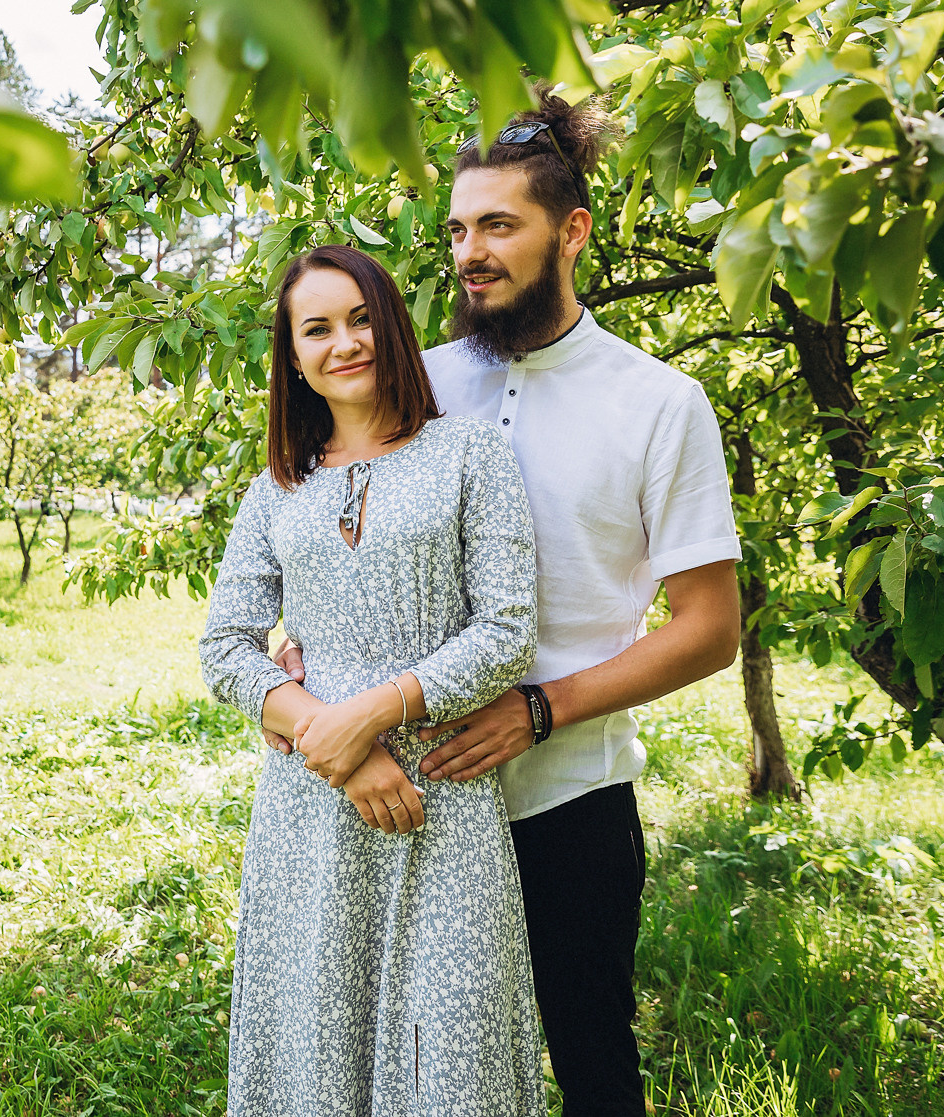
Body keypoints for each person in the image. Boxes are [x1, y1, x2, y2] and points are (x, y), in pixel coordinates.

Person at [268, 95, 742, 1117]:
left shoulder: (659, 404)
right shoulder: (415, 385)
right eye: (456, 230)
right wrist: (296, 654)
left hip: (569, 796)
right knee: (410, 1069)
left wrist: (538, 708)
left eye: (497, 226)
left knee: (591, 1063)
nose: (468, 254)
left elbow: (709, 630)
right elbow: (324, 530)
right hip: (410, 792)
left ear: (571, 231)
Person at [199, 244, 545, 1117]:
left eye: (360, 318)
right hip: (311, 808)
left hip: (443, 799)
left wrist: (376, 711)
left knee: (448, 1063)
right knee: (318, 1048)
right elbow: (227, 647)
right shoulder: (276, 489)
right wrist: (339, 744)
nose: (344, 342)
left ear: (391, 325)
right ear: (293, 357)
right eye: (316, 329)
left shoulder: (468, 454)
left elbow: (507, 631)